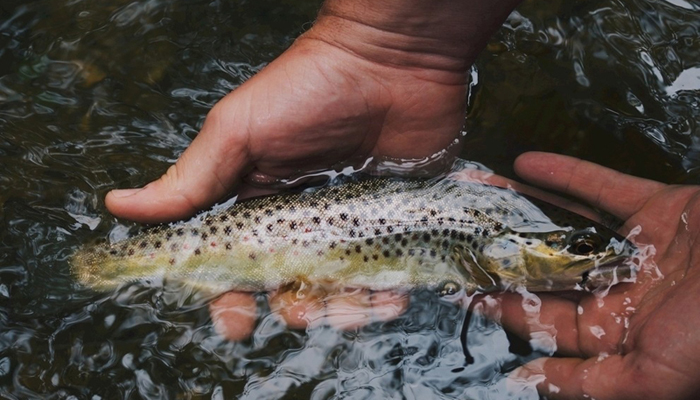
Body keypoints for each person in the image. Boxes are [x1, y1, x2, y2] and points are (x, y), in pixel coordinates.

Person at [103, 1, 700, 399]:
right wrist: (379, 46)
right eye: (580, 248)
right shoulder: (487, 237)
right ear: (503, 249)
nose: (602, 255)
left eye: (583, 250)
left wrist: (382, 43)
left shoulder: (484, 231)